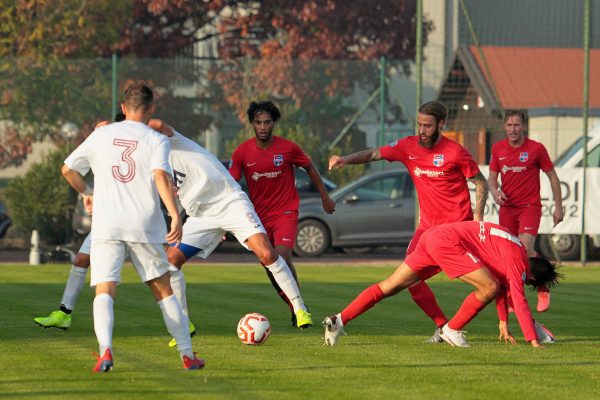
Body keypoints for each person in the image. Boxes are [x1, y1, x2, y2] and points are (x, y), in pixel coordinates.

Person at [61, 83, 204, 372]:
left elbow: (67, 169)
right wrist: (175, 215)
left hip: (107, 224)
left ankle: (105, 352)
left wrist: (87, 192)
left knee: (105, 288)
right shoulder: (156, 139)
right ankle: (187, 356)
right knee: (163, 289)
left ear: (123, 108)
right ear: (151, 108)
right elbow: (162, 177)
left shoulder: (102, 134)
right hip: (144, 224)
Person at [328, 100, 489, 342]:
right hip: (426, 233)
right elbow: (375, 154)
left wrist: (477, 218)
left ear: (441, 124)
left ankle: (522, 325)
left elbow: (480, 182)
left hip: (455, 233)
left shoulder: (455, 152)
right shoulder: (408, 146)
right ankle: (444, 327)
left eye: (427, 126)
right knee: (409, 283)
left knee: (494, 280)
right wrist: (345, 159)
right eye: (419, 125)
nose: (422, 130)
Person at [160, 120, 315, 333]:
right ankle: (184, 324)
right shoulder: (148, 163)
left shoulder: (169, 140)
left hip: (229, 201)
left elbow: (157, 123)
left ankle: (299, 308)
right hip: (201, 215)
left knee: (266, 254)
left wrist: (119, 126)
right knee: (170, 262)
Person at [323, 220, 562, 348]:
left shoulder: (517, 248)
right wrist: (531, 340)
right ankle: (451, 329)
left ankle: (339, 320)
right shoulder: (517, 263)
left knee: (389, 286)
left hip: (434, 236)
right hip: (448, 243)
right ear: (531, 277)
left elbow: (504, 286)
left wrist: (502, 321)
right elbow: (517, 299)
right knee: (487, 287)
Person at [228, 101, 336, 324]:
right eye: (258, 122)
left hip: (285, 211)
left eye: (267, 122)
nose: (263, 126)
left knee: (283, 257)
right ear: (252, 124)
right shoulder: (242, 152)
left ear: (273, 123)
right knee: (270, 265)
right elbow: (230, 182)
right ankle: (295, 306)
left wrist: (325, 197)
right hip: (257, 217)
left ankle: (300, 310)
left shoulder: (288, 148)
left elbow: (310, 167)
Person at [488, 110, 563, 313]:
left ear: (524, 127)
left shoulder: (536, 149)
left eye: (517, 125)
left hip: (530, 207)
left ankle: (542, 286)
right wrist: (495, 192)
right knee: (509, 254)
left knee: (525, 249)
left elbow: (553, 177)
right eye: (509, 125)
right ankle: (518, 289)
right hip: (507, 209)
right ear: (504, 127)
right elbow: (492, 179)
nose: (513, 129)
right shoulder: (497, 149)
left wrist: (558, 206)